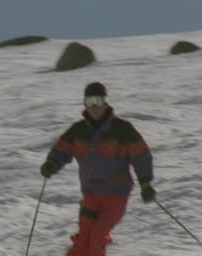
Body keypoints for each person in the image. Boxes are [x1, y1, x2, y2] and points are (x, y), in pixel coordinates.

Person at [40, 82, 156, 256]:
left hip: (116, 194)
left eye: (98, 101)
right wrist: (51, 164)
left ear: (105, 102)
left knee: (96, 237)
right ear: (84, 103)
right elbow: (61, 150)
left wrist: (145, 183)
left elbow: (141, 156)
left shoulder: (122, 129)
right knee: (83, 239)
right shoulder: (78, 130)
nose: (94, 107)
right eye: (89, 101)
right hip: (91, 193)